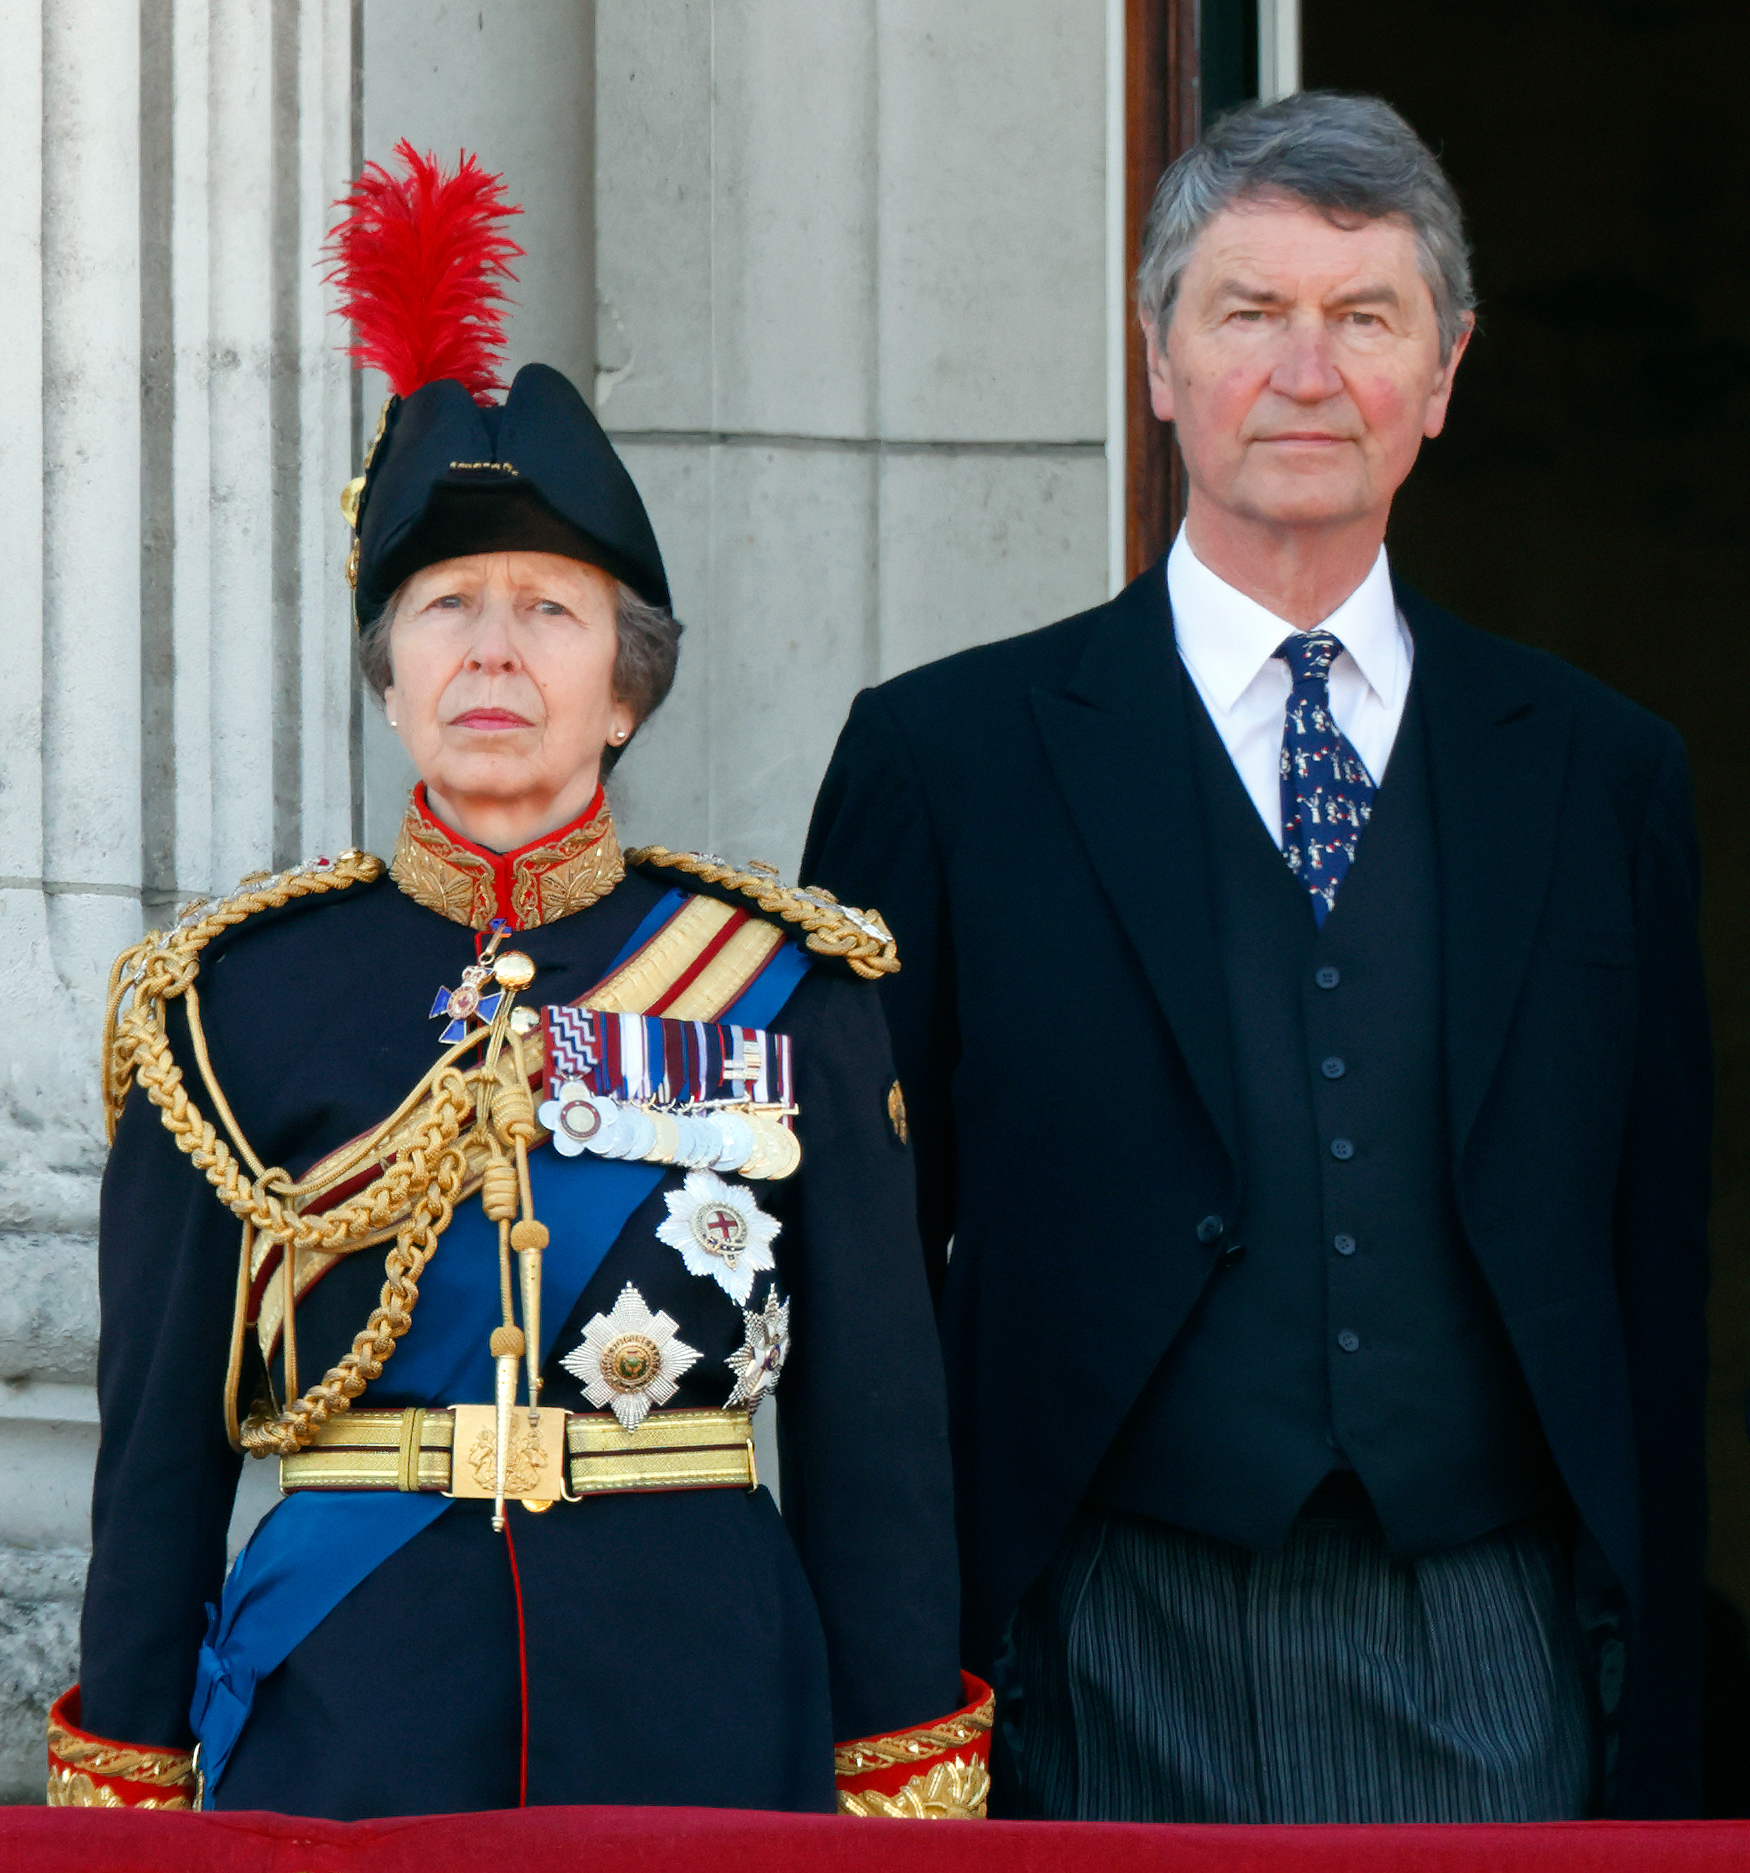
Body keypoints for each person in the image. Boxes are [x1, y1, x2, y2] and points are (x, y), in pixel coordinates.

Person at [50, 145, 989, 1820]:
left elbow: (875, 1445)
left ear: (624, 690)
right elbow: (157, 1459)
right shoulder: (229, 1000)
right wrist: (126, 1774)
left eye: (550, 610)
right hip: (350, 1702)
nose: (493, 647)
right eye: (446, 607)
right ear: (391, 675)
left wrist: (898, 1763)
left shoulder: (793, 987)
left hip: (701, 1692)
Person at [802, 92, 1711, 1822]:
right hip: (1075, 1633)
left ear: (1440, 377)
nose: (1309, 368)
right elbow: (860, 1278)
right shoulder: (945, 759)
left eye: (1364, 316)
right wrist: (885, 1691)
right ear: (1156, 361)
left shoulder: (1604, 775)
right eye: (1248, 312)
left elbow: (1650, 1273)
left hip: (1488, 1639)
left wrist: (1653, 1710)